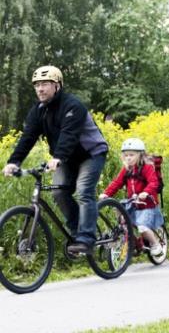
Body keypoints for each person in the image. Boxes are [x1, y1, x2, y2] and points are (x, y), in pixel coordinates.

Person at [2, 65, 108, 254]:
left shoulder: (72, 105)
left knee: (84, 191)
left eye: (45, 84)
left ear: (57, 85)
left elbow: (69, 135)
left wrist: (58, 157)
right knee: (59, 193)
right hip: (66, 158)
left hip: (91, 154)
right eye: (37, 85)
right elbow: (28, 137)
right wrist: (14, 161)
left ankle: (87, 238)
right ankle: (78, 234)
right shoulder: (38, 110)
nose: (40, 89)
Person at [99, 138, 164, 256]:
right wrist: (106, 193)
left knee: (142, 227)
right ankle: (134, 243)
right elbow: (117, 182)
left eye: (132, 155)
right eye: (126, 155)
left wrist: (146, 192)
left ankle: (155, 244)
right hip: (133, 202)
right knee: (120, 215)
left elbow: (153, 182)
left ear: (140, 155)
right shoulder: (127, 168)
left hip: (147, 205)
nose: (128, 158)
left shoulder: (147, 167)